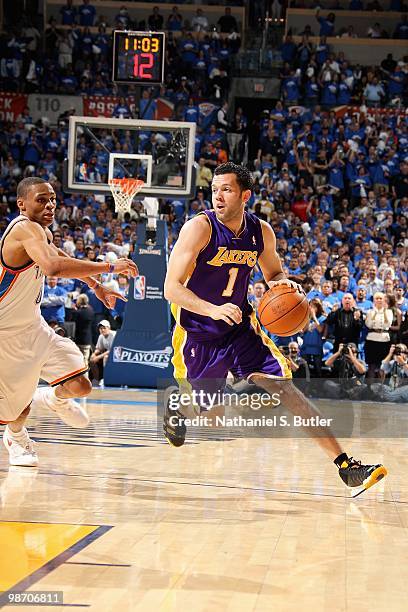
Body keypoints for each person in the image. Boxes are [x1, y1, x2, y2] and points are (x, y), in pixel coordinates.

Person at [163, 162, 386, 495]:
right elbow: (171, 287)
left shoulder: (261, 232)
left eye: (227, 189)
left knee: (286, 390)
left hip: (240, 327)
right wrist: (212, 309)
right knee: (213, 417)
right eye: (215, 190)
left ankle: (346, 467)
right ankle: (177, 406)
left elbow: (274, 275)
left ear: (245, 194)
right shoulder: (199, 228)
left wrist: (288, 288)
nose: (219, 196)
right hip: (198, 333)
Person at [0, 177, 137, 466]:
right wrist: (111, 266)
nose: (50, 204)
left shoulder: (42, 233)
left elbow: (58, 255)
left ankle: (52, 398)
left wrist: (97, 286)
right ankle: (15, 437)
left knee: (81, 386)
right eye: (41, 199)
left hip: (34, 327)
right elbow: (53, 266)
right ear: (21, 204)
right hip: (7, 335)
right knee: (17, 411)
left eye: (52, 199)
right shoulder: (23, 229)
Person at [364, 292, 393, 379]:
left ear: (384, 300)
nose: (379, 300)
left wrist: (383, 311)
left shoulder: (388, 312)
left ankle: (381, 389)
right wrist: (375, 313)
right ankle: (370, 389)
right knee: (371, 366)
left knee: (383, 366)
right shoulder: (370, 312)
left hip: (384, 340)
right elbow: (369, 324)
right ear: (374, 300)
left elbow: (388, 324)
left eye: (381, 298)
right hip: (372, 339)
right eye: (377, 298)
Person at [89, 320, 116, 386]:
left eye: (104, 328)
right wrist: (94, 354)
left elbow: (111, 350)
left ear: (109, 328)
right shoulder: (101, 336)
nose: (102, 330)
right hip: (108, 353)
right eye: (101, 328)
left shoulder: (114, 335)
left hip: (117, 354)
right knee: (92, 360)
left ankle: (105, 378)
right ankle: (96, 379)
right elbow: (99, 348)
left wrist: (98, 357)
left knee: (105, 358)